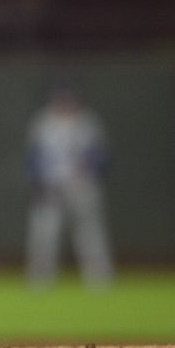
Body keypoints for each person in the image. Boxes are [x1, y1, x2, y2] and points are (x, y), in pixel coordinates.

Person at [24, 87, 114, 290]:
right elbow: (33, 156)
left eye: (68, 101)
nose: (64, 105)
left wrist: (91, 175)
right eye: (60, 101)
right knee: (45, 233)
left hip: (81, 185)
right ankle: (40, 278)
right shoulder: (43, 122)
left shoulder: (87, 122)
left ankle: (99, 277)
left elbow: (101, 156)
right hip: (50, 185)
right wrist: (36, 182)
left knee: (89, 233)